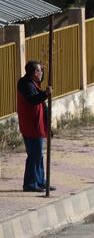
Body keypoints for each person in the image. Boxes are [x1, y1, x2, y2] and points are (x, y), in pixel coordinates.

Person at [16, 61, 52, 192]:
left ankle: (40, 181)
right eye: (39, 71)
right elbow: (33, 100)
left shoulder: (31, 81)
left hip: (36, 125)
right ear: (34, 73)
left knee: (38, 155)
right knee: (34, 156)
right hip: (31, 126)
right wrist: (45, 94)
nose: (41, 73)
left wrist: (43, 69)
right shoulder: (26, 85)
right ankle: (30, 184)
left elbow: (40, 79)